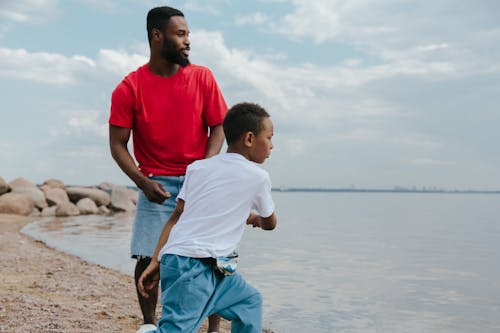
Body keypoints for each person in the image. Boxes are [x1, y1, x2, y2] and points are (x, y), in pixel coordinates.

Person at [108, 6, 227, 333]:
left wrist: (203, 168)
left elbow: (218, 127)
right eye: (181, 34)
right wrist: (142, 182)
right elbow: (118, 143)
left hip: (200, 183)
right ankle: (150, 325)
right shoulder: (129, 88)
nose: (188, 41)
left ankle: (214, 329)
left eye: (188, 34)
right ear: (157, 36)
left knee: (211, 257)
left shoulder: (202, 77)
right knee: (147, 258)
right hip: (155, 188)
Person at [138, 102, 277, 333]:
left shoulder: (198, 168)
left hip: (215, 267)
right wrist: (256, 219)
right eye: (269, 138)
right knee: (176, 330)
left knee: (249, 301)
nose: (272, 146)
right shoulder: (258, 176)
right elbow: (270, 223)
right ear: (250, 139)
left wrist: (156, 261)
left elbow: (176, 217)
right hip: (192, 266)